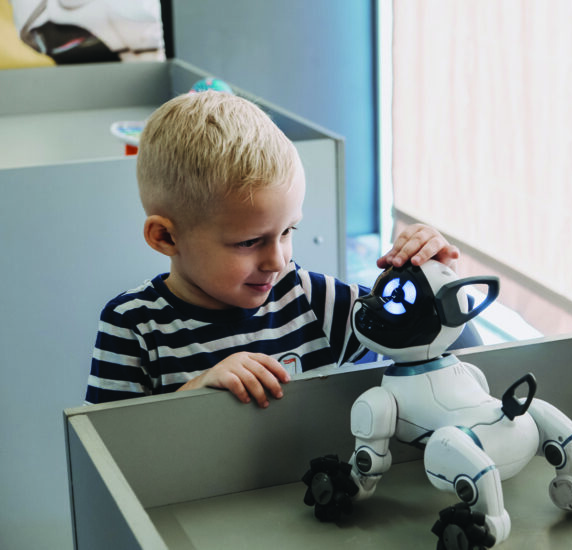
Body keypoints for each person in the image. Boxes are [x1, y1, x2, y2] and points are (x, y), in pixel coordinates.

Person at [86, 91, 459, 407]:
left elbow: (428, 347)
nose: (278, 260)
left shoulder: (316, 300)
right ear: (165, 238)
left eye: (287, 231)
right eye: (249, 242)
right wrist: (195, 397)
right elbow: (108, 457)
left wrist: (432, 275)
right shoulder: (132, 326)